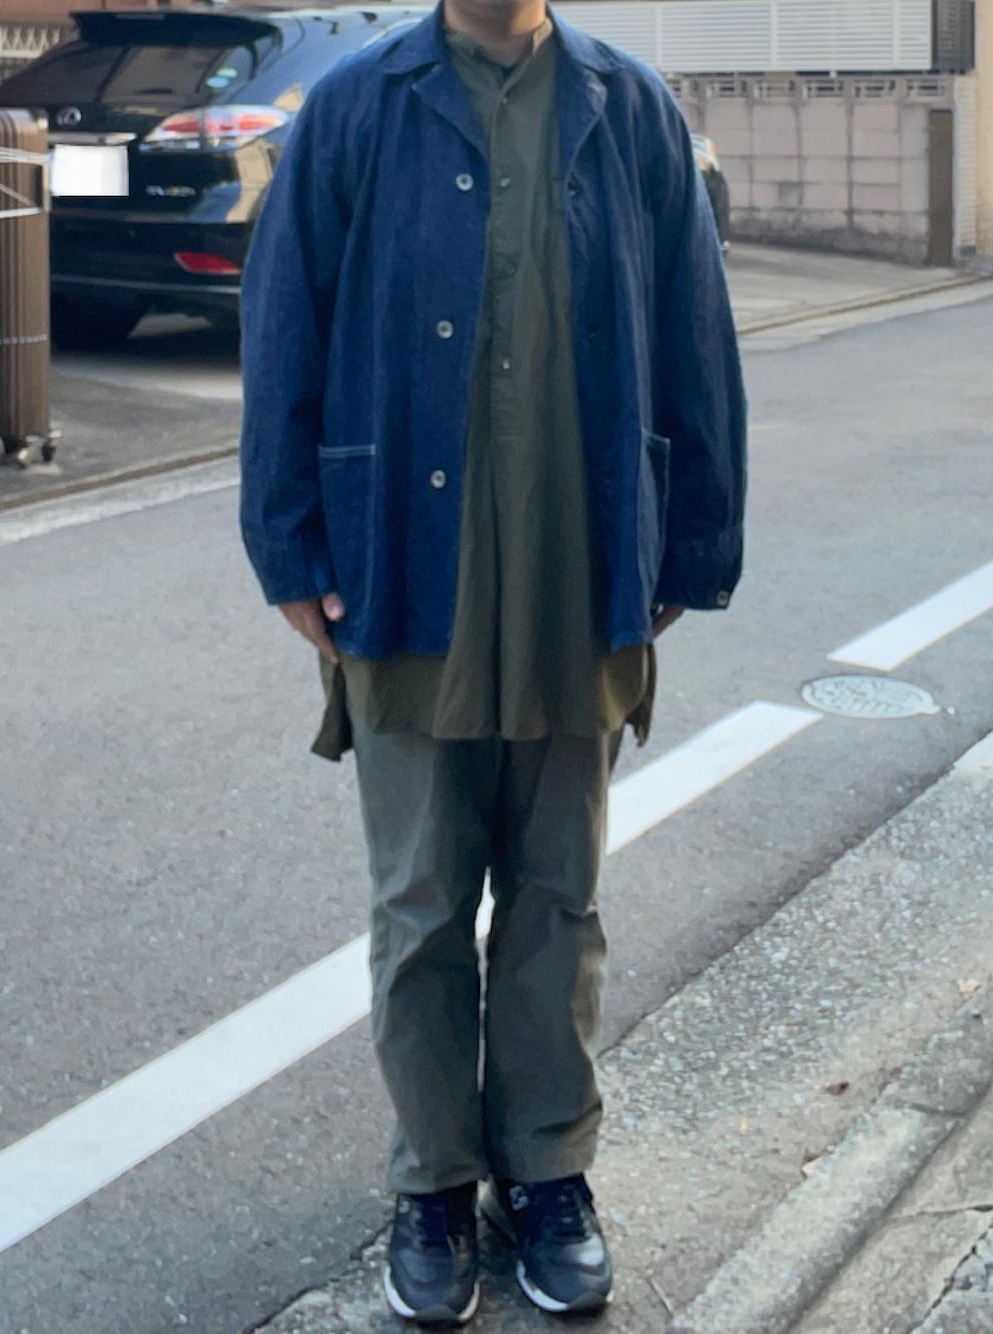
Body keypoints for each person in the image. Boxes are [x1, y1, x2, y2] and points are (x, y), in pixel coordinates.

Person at [238, 0, 746, 1321]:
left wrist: (691, 542)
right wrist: (288, 546)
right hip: (405, 569)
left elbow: (695, 331)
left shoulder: (633, 112)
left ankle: (547, 1170)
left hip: (582, 570)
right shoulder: (355, 110)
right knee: (420, 906)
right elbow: (283, 322)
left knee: (557, 897)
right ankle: (433, 1180)